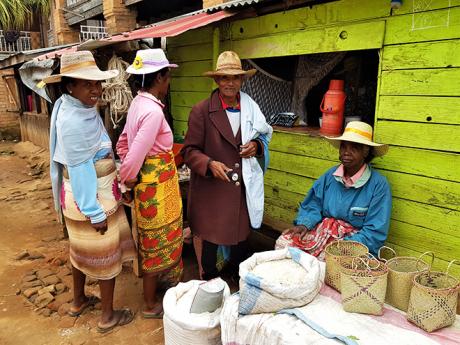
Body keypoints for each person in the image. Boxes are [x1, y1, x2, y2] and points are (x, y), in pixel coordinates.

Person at [46, 51, 136, 333]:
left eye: (97, 84)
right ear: (70, 85)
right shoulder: (74, 121)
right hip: (91, 198)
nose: (96, 90)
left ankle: (78, 300)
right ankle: (107, 316)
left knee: (80, 250)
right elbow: (81, 166)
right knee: (104, 255)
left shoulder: (69, 106)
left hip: (80, 196)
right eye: (88, 84)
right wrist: (94, 211)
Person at [182, 51, 273, 280]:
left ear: (242, 80)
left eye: (235, 78)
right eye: (224, 77)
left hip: (240, 188)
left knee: (241, 239)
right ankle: (211, 284)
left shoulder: (251, 108)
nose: (230, 83)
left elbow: (263, 136)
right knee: (211, 243)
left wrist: (256, 146)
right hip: (212, 191)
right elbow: (189, 151)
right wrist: (209, 164)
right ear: (216, 80)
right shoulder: (202, 111)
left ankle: (237, 282)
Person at [116, 49, 183, 318]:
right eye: (168, 77)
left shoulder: (137, 105)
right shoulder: (153, 112)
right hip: (156, 187)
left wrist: (132, 175)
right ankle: (149, 304)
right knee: (155, 243)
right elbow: (133, 156)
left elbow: (122, 144)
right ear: (159, 78)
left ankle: (158, 288)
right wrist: (127, 182)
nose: (169, 83)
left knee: (153, 238)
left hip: (153, 185)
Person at [277, 121, 391, 257]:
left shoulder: (378, 185)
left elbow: (374, 233)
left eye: (354, 147)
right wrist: (304, 224)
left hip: (354, 243)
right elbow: (313, 204)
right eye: (343, 147)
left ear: (365, 151)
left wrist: (342, 246)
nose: (346, 153)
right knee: (284, 244)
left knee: (327, 262)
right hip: (324, 233)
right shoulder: (330, 176)